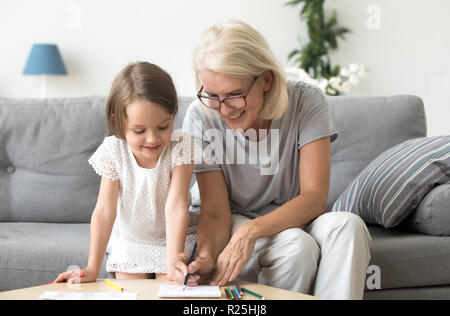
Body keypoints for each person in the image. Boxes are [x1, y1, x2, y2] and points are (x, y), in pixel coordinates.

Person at [173, 20, 372, 299]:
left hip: (296, 216)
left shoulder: (305, 101)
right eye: (213, 96)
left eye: (234, 95)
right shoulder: (200, 116)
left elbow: (314, 197)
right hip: (233, 220)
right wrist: (207, 256)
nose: (223, 109)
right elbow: (216, 211)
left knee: (348, 226)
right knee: (296, 247)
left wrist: (252, 231)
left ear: (266, 79)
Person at [54, 61, 196, 283]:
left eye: (163, 126)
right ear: (118, 123)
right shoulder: (113, 150)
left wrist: (173, 264)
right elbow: (104, 210)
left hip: (171, 242)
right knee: (132, 290)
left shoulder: (181, 145)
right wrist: (92, 268)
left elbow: (176, 205)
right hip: (132, 244)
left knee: (168, 287)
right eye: (139, 130)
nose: (153, 138)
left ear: (173, 114)